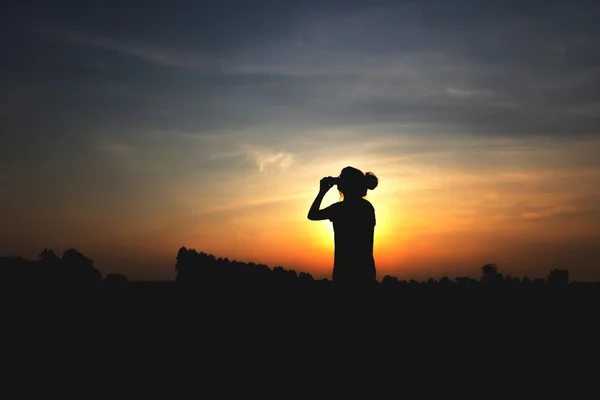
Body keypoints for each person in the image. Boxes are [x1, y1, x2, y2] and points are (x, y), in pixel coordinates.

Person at [307, 166, 378, 287]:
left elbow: (312, 215)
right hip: (365, 271)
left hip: (343, 271)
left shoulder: (339, 209)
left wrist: (322, 191)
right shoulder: (367, 207)